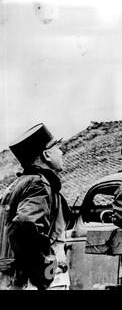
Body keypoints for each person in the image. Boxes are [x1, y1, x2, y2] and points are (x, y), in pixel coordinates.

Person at [1, 123, 71, 290]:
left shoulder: (16, 185)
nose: (61, 152)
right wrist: (46, 271)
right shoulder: (38, 184)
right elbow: (24, 226)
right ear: (46, 155)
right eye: (57, 147)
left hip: (12, 276)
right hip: (30, 281)